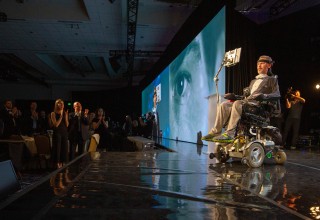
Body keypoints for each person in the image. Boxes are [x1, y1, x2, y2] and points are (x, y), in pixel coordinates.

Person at [202, 55, 281, 142]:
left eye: (262, 63)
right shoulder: (253, 81)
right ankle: (215, 132)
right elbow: (246, 98)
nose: (259, 65)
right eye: (258, 63)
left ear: (269, 66)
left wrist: (264, 96)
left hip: (258, 107)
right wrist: (234, 96)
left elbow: (277, 94)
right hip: (247, 103)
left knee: (237, 103)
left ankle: (230, 134)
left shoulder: (272, 80)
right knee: (224, 104)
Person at [50, 99, 69, 169]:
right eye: (60, 104)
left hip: (64, 132)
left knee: (64, 148)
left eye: (62, 104)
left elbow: (67, 124)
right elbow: (56, 125)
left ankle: (62, 162)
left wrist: (66, 116)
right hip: (57, 133)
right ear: (56, 105)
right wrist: (61, 116)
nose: (61, 105)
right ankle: (57, 163)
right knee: (57, 148)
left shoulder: (64, 113)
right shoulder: (53, 113)